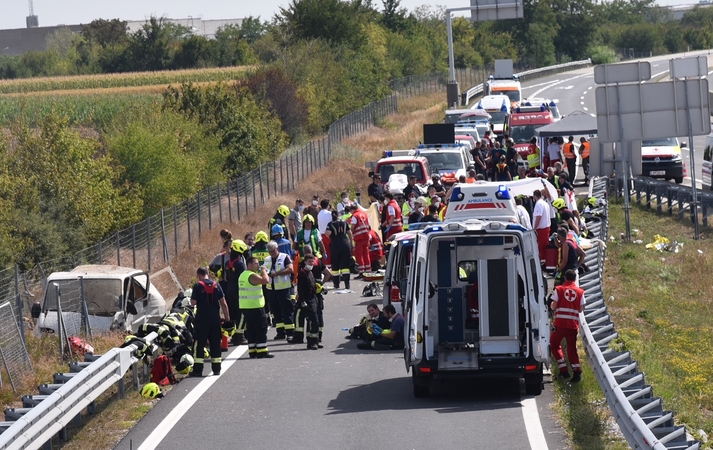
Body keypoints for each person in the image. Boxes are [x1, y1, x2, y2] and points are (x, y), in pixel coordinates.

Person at [190, 267, 230, 376]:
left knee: (199, 343)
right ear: (207, 273)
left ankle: (198, 370)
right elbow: (223, 303)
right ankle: (216, 369)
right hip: (215, 318)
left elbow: (193, 302)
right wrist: (227, 318)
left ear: (199, 275)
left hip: (202, 319)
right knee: (215, 343)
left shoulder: (198, 286)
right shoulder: (216, 285)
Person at [292, 245, 332, 345]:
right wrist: (321, 284)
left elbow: (300, 285)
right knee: (317, 316)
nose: (311, 263)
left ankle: (302, 338)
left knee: (304, 316)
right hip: (315, 294)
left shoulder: (304, 268)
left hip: (308, 295)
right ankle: (317, 338)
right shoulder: (318, 261)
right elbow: (328, 273)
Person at [550, 269, 585, 382]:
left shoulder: (559, 289)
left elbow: (553, 307)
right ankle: (576, 371)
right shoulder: (580, 292)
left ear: (565, 278)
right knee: (572, 348)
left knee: (554, 345)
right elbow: (580, 310)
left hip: (560, 324)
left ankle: (563, 370)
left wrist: (550, 304)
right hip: (573, 326)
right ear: (575, 279)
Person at [239, 256, 274, 358]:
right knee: (261, 328)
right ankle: (262, 350)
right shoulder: (251, 275)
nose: (258, 265)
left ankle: (253, 350)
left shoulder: (243, 275)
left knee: (251, 329)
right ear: (249, 265)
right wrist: (264, 271)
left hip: (246, 306)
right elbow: (265, 281)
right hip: (255, 306)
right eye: (256, 263)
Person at [263, 241, 295, 340]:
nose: (271, 254)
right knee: (276, 312)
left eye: (273, 251)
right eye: (270, 252)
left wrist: (277, 273)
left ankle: (290, 333)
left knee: (287, 311)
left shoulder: (284, 257)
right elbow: (263, 270)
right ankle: (280, 332)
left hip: (283, 288)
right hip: (271, 289)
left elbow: (290, 269)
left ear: (277, 249)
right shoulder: (267, 259)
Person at [222, 239, 249, 346]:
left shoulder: (227, 263)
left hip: (229, 289)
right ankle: (240, 336)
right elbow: (244, 278)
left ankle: (234, 336)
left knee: (233, 313)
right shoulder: (240, 264)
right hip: (239, 291)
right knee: (241, 313)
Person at [293, 253, 322, 350]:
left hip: (313, 299)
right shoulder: (302, 273)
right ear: (305, 262)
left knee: (314, 321)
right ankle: (312, 342)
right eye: (309, 261)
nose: (311, 263)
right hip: (307, 299)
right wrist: (303, 302)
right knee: (314, 321)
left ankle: (314, 341)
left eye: (312, 261)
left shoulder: (311, 272)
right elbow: (300, 289)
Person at [325, 210, 353, 290]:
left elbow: (327, 233)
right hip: (345, 244)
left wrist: (332, 238)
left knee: (335, 265)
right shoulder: (344, 222)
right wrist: (351, 244)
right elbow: (350, 233)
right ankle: (347, 284)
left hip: (335, 245)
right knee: (345, 266)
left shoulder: (330, 224)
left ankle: (336, 284)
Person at [349, 203, 371, 278]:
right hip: (366, 236)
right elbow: (368, 225)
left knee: (359, 255)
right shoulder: (364, 214)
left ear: (352, 210)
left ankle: (361, 272)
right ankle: (368, 270)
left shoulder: (355, 216)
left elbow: (352, 227)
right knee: (366, 254)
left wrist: (350, 234)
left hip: (359, 238)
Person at [532, 189, 551, 265]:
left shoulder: (538, 204)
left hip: (541, 229)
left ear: (535, 196)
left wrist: (534, 228)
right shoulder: (545, 203)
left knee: (540, 246)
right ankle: (545, 260)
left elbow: (538, 217)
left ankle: (542, 261)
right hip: (546, 227)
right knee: (545, 245)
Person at [317, 199, 332, 265]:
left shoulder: (319, 214)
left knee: (324, 251)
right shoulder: (329, 213)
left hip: (321, 235)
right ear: (328, 206)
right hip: (328, 234)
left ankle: (325, 266)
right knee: (330, 251)